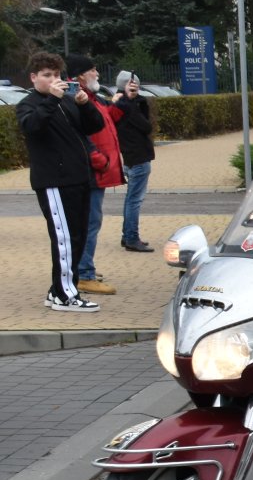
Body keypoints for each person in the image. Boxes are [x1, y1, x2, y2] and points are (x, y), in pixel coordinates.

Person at [16, 51, 105, 312]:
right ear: (34, 78)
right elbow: (33, 127)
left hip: (79, 179)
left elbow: (94, 126)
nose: (53, 80)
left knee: (77, 237)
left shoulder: (67, 102)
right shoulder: (29, 104)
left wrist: (84, 104)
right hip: (54, 182)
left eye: (56, 75)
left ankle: (59, 290)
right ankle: (66, 294)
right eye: (47, 75)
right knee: (65, 239)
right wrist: (52, 100)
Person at [67, 54, 122, 296]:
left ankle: (82, 268)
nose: (97, 74)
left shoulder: (91, 97)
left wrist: (127, 100)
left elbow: (110, 119)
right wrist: (98, 159)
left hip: (97, 170)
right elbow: (79, 134)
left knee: (89, 222)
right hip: (91, 171)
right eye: (93, 70)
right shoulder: (76, 98)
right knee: (89, 223)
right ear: (80, 75)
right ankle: (84, 275)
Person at [112, 70, 155, 253]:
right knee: (134, 201)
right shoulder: (125, 106)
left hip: (130, 157)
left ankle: (127, 235)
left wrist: (136, 101)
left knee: (131, 199)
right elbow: (145, 126)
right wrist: (132, 102)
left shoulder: (119, 104)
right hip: (137, 157)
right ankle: (131, 237)